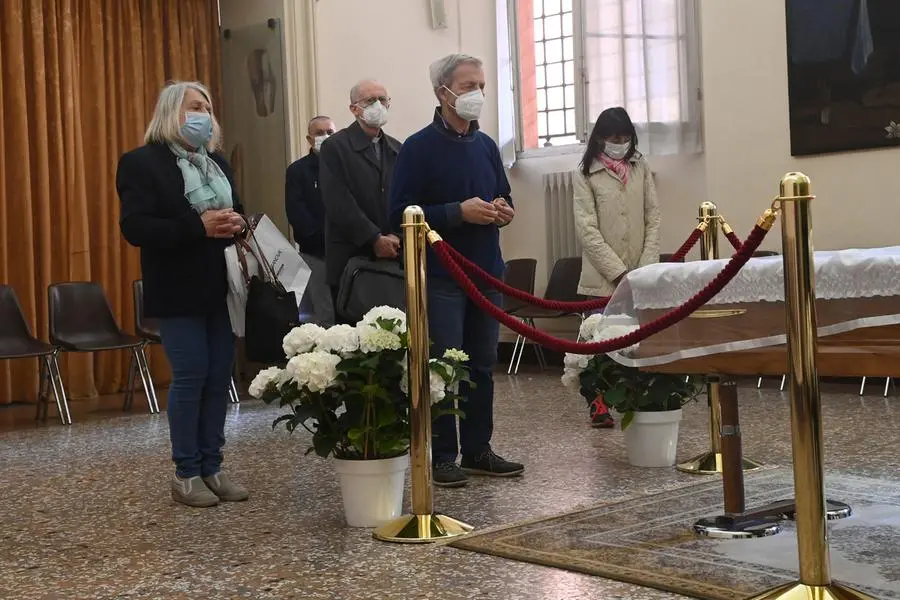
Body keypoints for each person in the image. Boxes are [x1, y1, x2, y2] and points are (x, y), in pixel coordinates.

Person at [389, 54, 524, 488]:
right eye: (468, 86)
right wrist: (456, 213)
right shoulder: (417, 147)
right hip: (443, 274)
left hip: (486, 271)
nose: (476, 94)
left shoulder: (486, 146)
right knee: (446, 365)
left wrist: (504, 210)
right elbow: (401, 214)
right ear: (442, 92)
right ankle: (443, 455)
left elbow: (503, 195)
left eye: (481, 85)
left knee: (483, 365)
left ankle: (478, 449)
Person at [117, 81, 250, 508]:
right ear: (172, 112)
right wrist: (199, 226)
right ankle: (186, 472)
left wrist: (238, 224)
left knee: (219, 378)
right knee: (191, 376)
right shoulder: (141, 163)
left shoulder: (218, 163)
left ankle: (213, 465)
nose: (204, 115)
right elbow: (135, 228)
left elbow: (238, 211)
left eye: (208, 108)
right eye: (195, 107)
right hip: (176, 287)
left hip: (221, 286)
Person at [572, 107, 660, 428]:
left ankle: (636, 399)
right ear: (599, 139)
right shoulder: (585, 173)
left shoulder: (641, 167)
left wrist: (644, 270)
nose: (619, 143)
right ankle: (598, 405)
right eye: (612, 138)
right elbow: (587, 229)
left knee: (637, 341)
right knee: (598, 343)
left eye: (624, 138)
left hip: (640, 274)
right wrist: (618, 272)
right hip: (602, 279)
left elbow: (653, 218)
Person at [319, 80, 402, 302]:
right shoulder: (335, 147)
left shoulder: (397, 148)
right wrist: (373, 238)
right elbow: (338, 201)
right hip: (351, 258)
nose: (378, 105)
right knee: (352, 334)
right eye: (370, 100)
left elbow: (405, 197)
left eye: (383, 100)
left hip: (393, 258)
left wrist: (396, 235)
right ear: (354, 108)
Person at [285, 116, 336, 258]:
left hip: (347, 248)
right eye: (319, 133)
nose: (326, 136)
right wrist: (321, 236)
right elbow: (296, 212)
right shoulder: (297, 170)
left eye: (330, 132)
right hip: (314, 250)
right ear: (309, 139)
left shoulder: (347, 166)